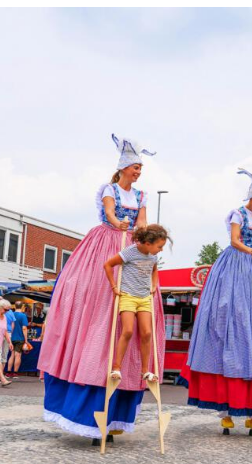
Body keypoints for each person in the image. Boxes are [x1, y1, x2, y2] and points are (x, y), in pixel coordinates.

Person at [37, 134, 165, 444]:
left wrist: (141, 234)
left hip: (132, 248)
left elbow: (143, 223)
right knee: (97, 309)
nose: (138, 172)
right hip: (107, 243)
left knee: (139, 323)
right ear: (122, 169)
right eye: (135, 168)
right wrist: (118, 223)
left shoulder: (143, 195)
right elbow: (110, 213)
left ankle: (118, 409)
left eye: (140, 168)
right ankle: (86, 402)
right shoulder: (109, 190)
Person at [183, 168, 252, 435]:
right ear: (250, 197)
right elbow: (234, 241)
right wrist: (249, 250)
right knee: (230, 312)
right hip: (236, 264)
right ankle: (226, 410)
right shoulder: (238, 214)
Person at [103, 224, 169, 383]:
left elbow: (154, 270)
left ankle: (145, 370)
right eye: (159, 246)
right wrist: (113, 287)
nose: (161, 250)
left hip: (145, 297)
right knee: (128, 331)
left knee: (146, 333)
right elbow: (108, 265)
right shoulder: (130, 252)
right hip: (128, 295)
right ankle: (117, 367)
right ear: (148, 243)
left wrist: (154, 285)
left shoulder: (153, 256)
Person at [7, 301, 31, 378]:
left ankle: (8, 371)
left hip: (11, 337)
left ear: (15, 306)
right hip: (20, 338)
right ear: (22, 306)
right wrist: (26, 340)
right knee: (18, 356)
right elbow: (24, 328)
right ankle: (15, 372)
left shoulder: (11, 314)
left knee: (12, 355)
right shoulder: (23, 316)